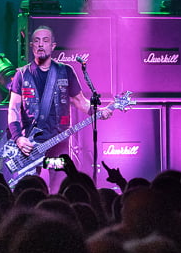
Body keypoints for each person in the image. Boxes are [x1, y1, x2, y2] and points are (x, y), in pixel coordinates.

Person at [6, 26, 107, 186]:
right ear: (31, 46)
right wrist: (18, 138)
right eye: (37, 41)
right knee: (29, 186)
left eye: (45, 41)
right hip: (30, 144)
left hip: (58, 142)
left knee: (60, 182)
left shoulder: (65, 71)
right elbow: (13, 109)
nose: (41, 44)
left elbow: (80, 101)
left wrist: (99, 111)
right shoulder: (22, 74)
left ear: (53, 46)